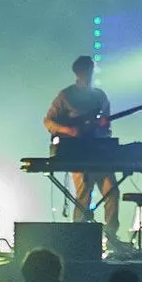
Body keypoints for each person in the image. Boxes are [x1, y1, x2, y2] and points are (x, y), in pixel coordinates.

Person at [44, 56, 122, 236]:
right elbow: (48, 121)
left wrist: (104, 128)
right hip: (77, 152)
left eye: (91, 71)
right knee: (84, 192)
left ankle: (111, 236)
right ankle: (79, 237)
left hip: (100, 152)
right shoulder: (66, 95)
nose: (89, 75)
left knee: (112, 191)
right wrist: (68, 130)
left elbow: (107, 124)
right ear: (78, 73)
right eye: (86, 71)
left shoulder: (100, 96)